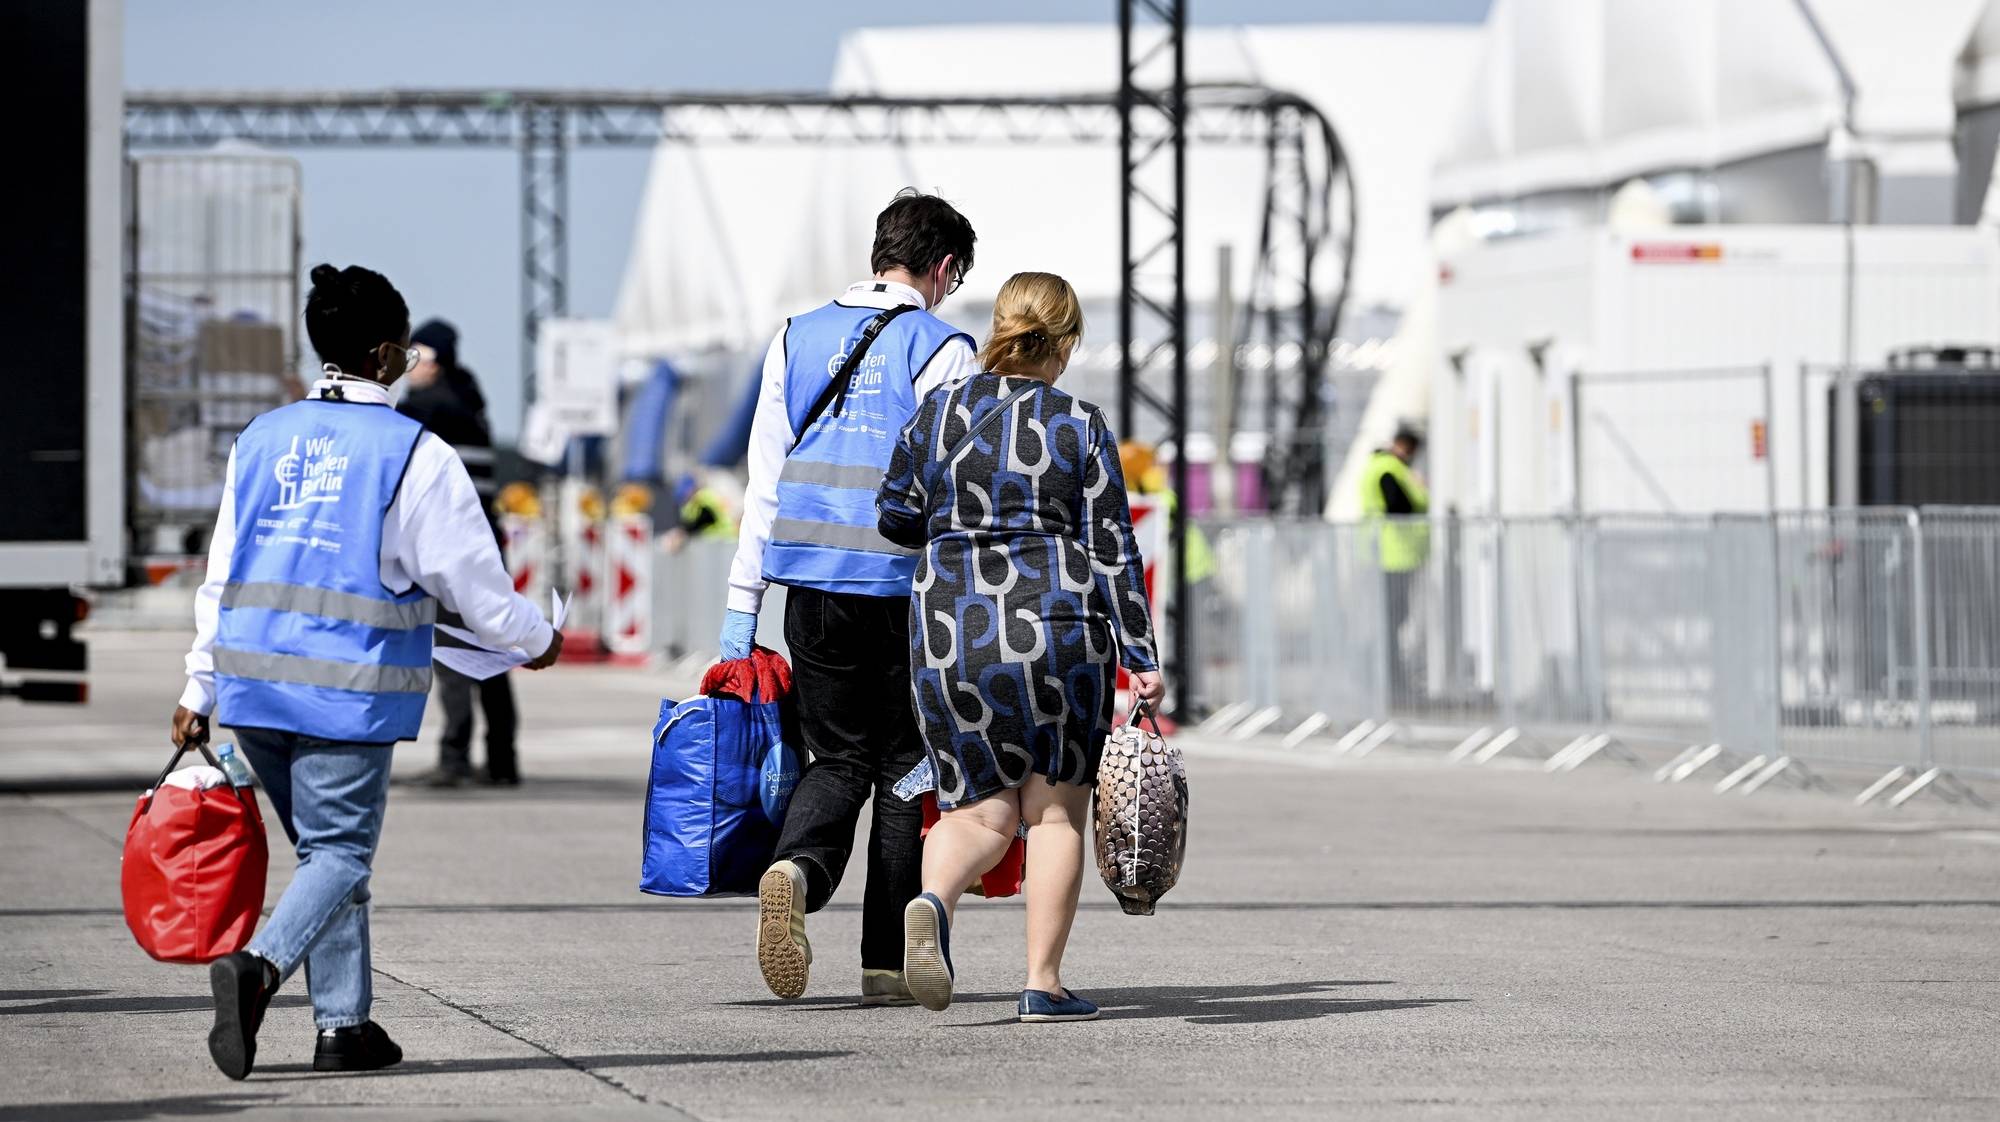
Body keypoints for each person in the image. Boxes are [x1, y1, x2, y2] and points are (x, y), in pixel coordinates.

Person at [170, 264, 563, 1080]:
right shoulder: (414, 454)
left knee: (322, 854)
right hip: (344, 694)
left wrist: (196, 688)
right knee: (341, 855)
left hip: (254, 689)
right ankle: (259, 969)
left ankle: (344, 1027)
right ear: (386, 354)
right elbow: (475, 589)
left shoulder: (261, 439)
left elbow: (222, 572)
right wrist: (539, 640)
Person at [876, 271, 1164, 1023]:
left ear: (999, 327)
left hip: (954, 633)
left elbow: (894, 517)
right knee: (1054, 817)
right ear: (1064, 343)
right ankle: (1043, 982)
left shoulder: (939, 414)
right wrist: (1142, 654)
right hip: (1058, 632)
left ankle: (934, 902)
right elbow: (1112, 547)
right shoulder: (1080, 423)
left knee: (975, 816)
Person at [721, 190, 981, 1005]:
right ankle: (885, 963)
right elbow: (954, 485)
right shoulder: (942, 347)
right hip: (904, 591)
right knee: (907, 766)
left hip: (809, 587)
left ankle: (796, 869)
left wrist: (741, 604)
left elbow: (764, 477)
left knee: (835, 757)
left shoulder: (794, 337)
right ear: (942, 267)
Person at [395, 318, 519, 787]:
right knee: (491, 651)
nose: (408, 368)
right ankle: (503, 759)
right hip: (487, 545)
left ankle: (454, 759)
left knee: (454, 655)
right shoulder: (471, 403)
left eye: (416, 357)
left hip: (455, 550)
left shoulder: (430, 408)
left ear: (438, 360)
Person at [1361, 425, 1430, 703]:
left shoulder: (1378, 465)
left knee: (1392, 622)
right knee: (1394, 623)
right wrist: (1418, 487)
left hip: (1387, 555)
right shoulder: (1390, 469)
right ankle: (1394, 684)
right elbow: (1397, 507)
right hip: (1395, 555)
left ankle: (1392, 681)